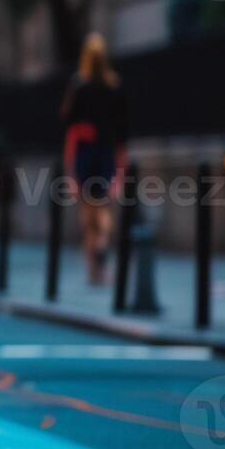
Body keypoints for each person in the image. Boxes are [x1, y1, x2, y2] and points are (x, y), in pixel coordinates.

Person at [60, 33, 129, 287]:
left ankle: (94, 269)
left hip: (85, 153)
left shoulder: (78, 87)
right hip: (106, 153)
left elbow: (71, 131)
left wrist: (70, 171)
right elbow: (123, 135)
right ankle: (101, 248)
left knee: (88, 215)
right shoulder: (114, 87)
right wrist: (121, 171)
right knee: (103, 209)